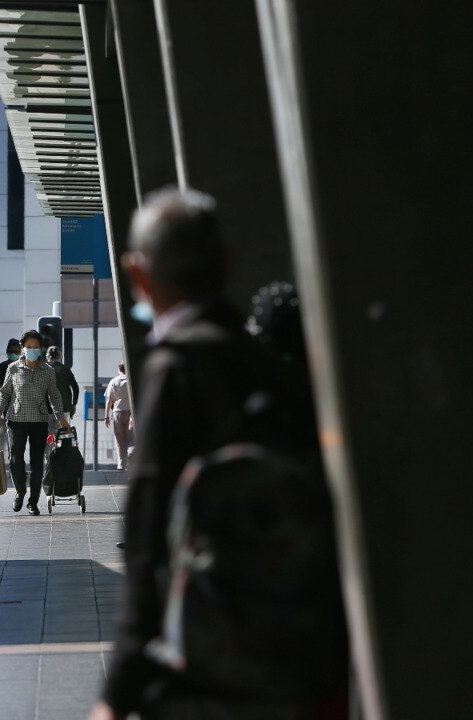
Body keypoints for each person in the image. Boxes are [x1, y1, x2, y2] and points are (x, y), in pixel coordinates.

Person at [90, 188, 343, 720]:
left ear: (139, 275)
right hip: (303, 652)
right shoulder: (267, 362)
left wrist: (118, 693)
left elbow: (149, 536)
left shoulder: (176, 366)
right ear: (227, 264)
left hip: (214, 665)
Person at [0, 330, 70, 515]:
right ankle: (20, 492)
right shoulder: (12, 368)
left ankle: (33, 502)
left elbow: (54, 396)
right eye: (29, 347)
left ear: (41, 349)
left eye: (36, 347)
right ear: (23, 348)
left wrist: (61, 420)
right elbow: (5, 393)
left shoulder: (48, 371)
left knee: (37, 463)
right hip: (16, 420)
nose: (32, 350)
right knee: (15, 459)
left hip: (39, 421)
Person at [104, 362, 132, 470]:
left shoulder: (113, 381)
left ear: (119, 369)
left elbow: (109, 401)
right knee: (131, 439)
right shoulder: (131, 381)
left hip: (117, 413)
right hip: (130, 413)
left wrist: (106, 417)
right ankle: (131, 460)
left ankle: (121, 464)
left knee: (119, 440)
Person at [46, 346, 80, 433]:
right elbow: (75, 388)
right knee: (63, 436)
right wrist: (74, 404)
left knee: (49, 438)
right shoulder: (65, 370)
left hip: (47, 410)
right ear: (59, 356)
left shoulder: (44, 370)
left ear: (48, 356)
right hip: (64, 408)